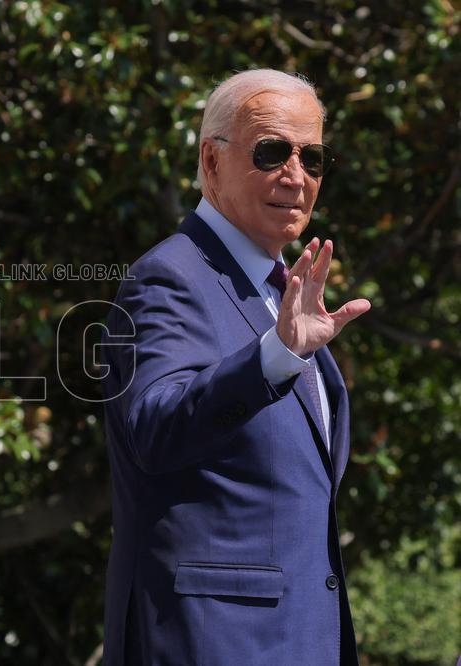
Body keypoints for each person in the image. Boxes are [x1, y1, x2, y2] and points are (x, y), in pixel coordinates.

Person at [100, 69, 371, 665]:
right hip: (210, 642)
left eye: (314, 157)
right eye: (271, 151)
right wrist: (275, 357)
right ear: (212, 159)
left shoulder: (284, 293)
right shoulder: (168, 278)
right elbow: (155, 428)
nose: (296, 176)